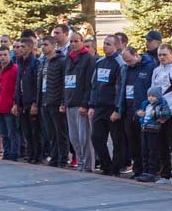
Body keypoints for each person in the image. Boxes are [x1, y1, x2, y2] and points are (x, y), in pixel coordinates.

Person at [88, 35, 125, 176]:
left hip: (112, 108)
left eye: (108, 44)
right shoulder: (100, 62)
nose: (105, 46)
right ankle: (106, 165)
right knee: (96, 137)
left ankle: (116, 168)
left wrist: (117, 108)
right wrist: (92, 105)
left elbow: (120, 87)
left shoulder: (119, 63)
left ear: (116, 46)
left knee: (117, 140)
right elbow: (94, 85)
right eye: (104, 43)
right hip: (99, 107)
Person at [62, 31, 96, 172]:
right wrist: (64, 101)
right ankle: (80, 161)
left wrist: (84, 104)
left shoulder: (88, 59)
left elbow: (89, 83)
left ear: (82, 42)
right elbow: (65, 81)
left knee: (84, 137)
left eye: (76, 41)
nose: (73, 44)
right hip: (70, 102)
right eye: (71, 41)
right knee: (74, 137)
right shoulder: (68, 58)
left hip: (81, 104)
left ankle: (88, 165)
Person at [150, 45, 172, 186]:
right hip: (159, 114)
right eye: (160, 55)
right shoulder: (156, 70)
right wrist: (154, 109)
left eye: (164, 54)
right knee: (161, 145)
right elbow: (153, 92)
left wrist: (169, 111)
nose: (162, 57)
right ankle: (165, 174)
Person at [120, 46, 154, 178]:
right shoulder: (126, 68)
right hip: (128, 110)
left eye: (129, 60)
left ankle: (147, 170)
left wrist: (148, 108)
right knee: (132, 143)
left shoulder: (148, 66)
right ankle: (137, 169)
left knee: (144, 143)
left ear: (136, 55)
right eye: (125, 61)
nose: (128, 63)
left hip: (142, 111)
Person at [37, 37, 67, 168]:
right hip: (44, 100)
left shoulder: (61, 61)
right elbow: (40, 82)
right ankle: (54, 157)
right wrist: (38, 101)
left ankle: (63, 158)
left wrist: (63, 101)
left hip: (56, 101)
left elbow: (64, 83)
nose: (43, 47)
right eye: (42, 45)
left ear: (54, 45)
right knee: (51, 133)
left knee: (60, 132)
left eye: (46, 44)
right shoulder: (43, 61)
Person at [135, 86, 171, 183]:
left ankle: (152, 173)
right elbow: (140, 113)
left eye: (153, 96)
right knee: (144, 151)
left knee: (152, 152)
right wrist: (139, 114)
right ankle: (145, 171)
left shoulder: (162, 103)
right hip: (144, 129)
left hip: (154, 130)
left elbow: (167, 113)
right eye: (149, 96)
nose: (150, 98)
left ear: (158, 96)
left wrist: (156, 113)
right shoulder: (145, 104)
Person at [0, 46, 19, 159]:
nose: (3, 57)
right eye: (0, 55)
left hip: (9, 106)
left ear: (10, 55)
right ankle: (6, 152)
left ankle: (14, 153)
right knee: (3, 133)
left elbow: (17, 88)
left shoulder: (15, 69)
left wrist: (15, 103)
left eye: (5, 55)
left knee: (12, 132)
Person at [14, 37, 41, 163]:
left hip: (31, 102)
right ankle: (30, 154)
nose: (20, 49)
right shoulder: (20, 62)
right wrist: (17, 102)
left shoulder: (35, 63)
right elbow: (18, 84)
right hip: (23, 102)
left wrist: (35, 102)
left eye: (23, 47)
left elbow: (36, 85)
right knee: (27, 131)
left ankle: (37, 155)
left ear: (30, 48)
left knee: (35, 131)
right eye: (19, 46)